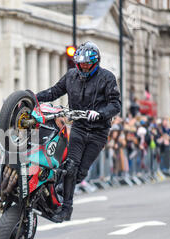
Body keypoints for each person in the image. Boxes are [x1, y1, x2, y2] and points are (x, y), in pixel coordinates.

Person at [36, 41, 121, 222]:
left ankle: (60, 190)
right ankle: (66, 208)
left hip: (98, 132)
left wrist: (99, 114)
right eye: (80, 64)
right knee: (70, 167)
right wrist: (32, 96)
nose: (83, 67)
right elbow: (53, 92)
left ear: (95, 62)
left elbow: (115, 104)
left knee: (80, 172)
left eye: (87, 64)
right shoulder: (71, 76)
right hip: (79, 128)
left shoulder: (108, 78)